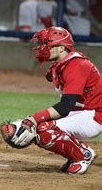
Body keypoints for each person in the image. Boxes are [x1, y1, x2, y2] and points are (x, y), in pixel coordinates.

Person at [15, 27, 101, 174]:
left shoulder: (76, 65)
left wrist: (33, 119)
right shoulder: (60, 65)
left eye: (47, 44)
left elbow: (65, 106)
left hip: (95, 116)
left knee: (44, 129)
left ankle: (83, 155)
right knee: (41, 128)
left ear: (61, 48)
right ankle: (74, 154)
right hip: (82, 112)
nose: (42, 48)